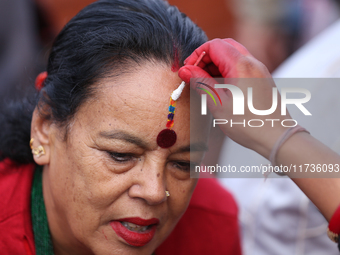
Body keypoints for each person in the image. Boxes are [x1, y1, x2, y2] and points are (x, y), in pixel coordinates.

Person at [0, 0, 242, 254]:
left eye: (183, 163)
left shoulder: (211, 226)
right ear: (44, 127)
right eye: (121, 155)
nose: (155, 192)